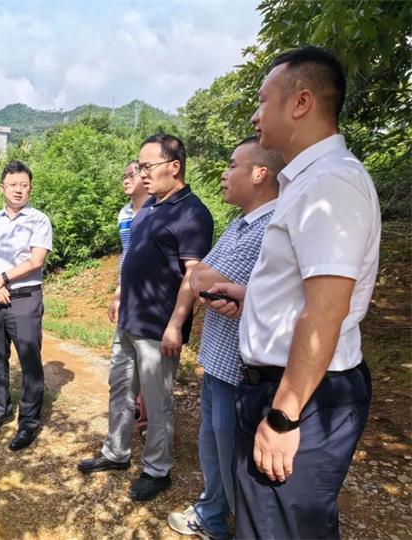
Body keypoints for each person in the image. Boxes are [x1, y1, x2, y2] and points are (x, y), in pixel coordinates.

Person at [204, 47, 380, 538]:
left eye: (263, 100)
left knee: (276, 527)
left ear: (301, 102)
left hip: (301, 395)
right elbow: (304, 291)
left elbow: (327, 310)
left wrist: (284, 416)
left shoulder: (330, 184)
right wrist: (251, 298)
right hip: (288, 386)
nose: (255, 115)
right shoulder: (306, 182)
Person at [78, 134, 214, 501]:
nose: (142, 174)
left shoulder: (192, 213)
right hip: (129, 319)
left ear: (175, 166)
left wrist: (176, 325)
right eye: (139, 167)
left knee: (156, 401)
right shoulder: (149, 206)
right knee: (121, 389)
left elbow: (193, 275)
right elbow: (133, 257)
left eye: (148, 166)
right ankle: (116, 452)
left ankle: (157, 469)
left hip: (158, 326)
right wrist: (120, 293)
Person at [166, 137, 283, 539]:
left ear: (260, 173)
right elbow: (198, 276)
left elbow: (203, 278)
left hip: (238, 369)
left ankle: (241, 526)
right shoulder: (240, 223)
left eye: (233, 165)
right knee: (213, 446)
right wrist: (205, 281)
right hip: (217, 360)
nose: (224, 173)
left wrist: (204, 280)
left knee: (234, 456)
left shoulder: (271, 227)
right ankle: (212, 515)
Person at [0, 160, 53, 452]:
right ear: (2, 188)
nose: (18, 190)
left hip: (24, 298)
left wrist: (2, 279)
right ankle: (0, 411)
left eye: (24, 185)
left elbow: (36, 260)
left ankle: (28, 423)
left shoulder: (39, 220)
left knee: (29, 360)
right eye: (13, 185)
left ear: (30, 188)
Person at [107, 160, 150, 438]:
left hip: (150, 296)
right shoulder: (124, 213)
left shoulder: (156, 209)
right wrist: (118, 292)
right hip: (129, 295)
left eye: (131, 175)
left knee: (149, 361)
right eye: (123, 175)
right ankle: (133, 410)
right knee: (126, 359)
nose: (126, 179)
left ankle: (147, 421)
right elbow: (126, 255)